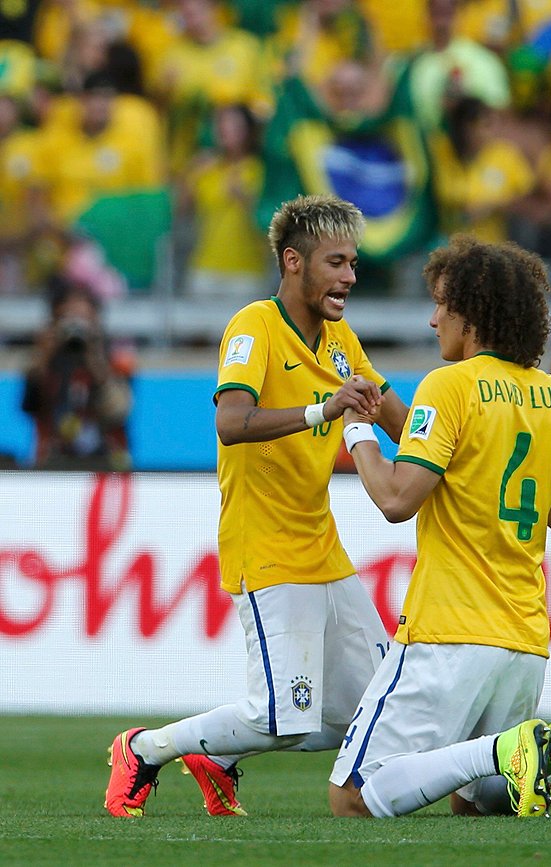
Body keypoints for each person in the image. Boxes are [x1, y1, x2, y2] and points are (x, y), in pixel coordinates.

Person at [104, 194, 410, 818]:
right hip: (267, 549)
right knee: (280, 717)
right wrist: (323, 410)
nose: (350, 277)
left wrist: (456, 440)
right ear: (294, 262)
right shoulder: (254, 327)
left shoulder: (340, 340)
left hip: (323, 551)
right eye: (336, 262)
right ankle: (144, 748)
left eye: (353, 263)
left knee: (378, 711)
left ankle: (216, 758)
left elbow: (398, 420)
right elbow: (231, 422)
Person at [327, 235, 551, 819]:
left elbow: (397, 499)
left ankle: (507, 750)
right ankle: (523, 751)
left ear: (473, 314)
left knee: (354, 797)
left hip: (449, 631)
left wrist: (355, 430)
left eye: (441, 305)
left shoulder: (449, 384)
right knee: (476, 811)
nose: (433, 320)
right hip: (524, 642)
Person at [22, 281, 133, 470]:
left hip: (106, 463)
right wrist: (43, 357)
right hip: (54, 462)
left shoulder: (116, 361)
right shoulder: (45, 362)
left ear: (96, 320)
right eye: (68, 319)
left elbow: (119, 413)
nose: (75, 328)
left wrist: (96, 363)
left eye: (82, 319)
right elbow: (30, 406)